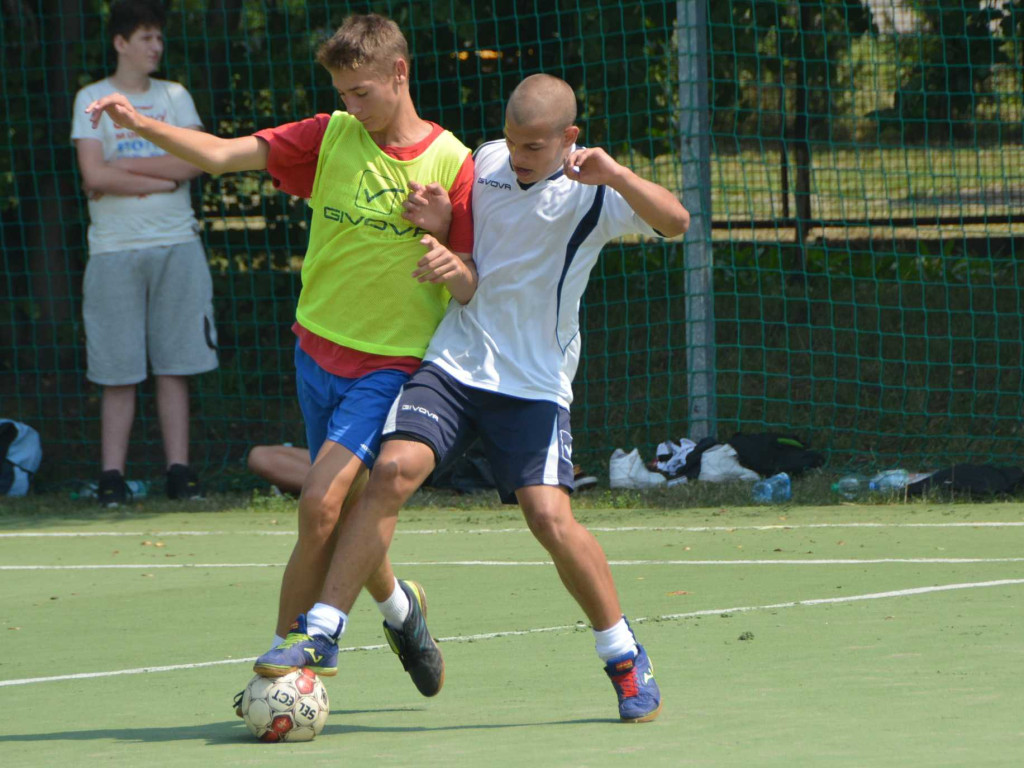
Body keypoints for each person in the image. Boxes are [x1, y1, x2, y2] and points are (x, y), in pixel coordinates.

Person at [254, 74, 690, 723]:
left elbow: (676, 221)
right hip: (456, 361)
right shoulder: (484, 161)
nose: (518, 155)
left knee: (549, 517)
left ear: (569, 139)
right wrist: (436, 220)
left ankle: (624, 656)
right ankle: (322, 627)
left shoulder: (594, 194)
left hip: (532, 384)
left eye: (535, 146)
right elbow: (465, 242)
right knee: (391, 472)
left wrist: (618, 174)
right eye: (513, 140)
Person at [86, 13, 477, 703]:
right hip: (315, 352)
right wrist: (139, 125)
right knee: (349, 507)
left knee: (321, 505)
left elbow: (472, 273)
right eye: (342, 92)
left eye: (362, 91)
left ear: (399, 73)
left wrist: (443, 230)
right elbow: (220, 155)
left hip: (388, 364)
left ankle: (287, 658)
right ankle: (400, 610)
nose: (351, 106)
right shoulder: (329, 136)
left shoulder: (452, 161)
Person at [71, 0, 215, 506]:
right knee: (118, 369)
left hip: (177, 243)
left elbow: (194, 163)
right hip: (113, 251)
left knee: (174, 366)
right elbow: (94, 174)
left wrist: (122, 176)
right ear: (120, 43)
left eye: (159, 37)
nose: (157, 46)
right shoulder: (91, 97)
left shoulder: (174, 96)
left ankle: (181, 472)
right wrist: (160, 172)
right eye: (147, 37)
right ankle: (112, 477)